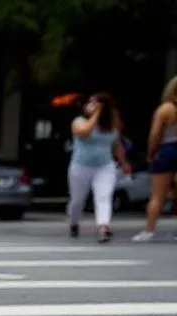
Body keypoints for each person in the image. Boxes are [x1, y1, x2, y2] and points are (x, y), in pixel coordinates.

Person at [67, 92, 130, 243]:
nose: (89, 106)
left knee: (104, 196)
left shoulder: (112, 124)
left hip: (104, 166)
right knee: (77, 200)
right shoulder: (79, 121)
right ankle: (74, 223)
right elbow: (84, 132)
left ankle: (103, 227)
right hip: (81, 165)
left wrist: (123, 163)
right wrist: (96, 115)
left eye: (94, 103)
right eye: (90, 103)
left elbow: (116, 144)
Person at [135, 76, 177, 242]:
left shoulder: (164, 110)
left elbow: (155, 135)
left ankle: (149, 230)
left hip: (167, 150)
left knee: (157, 196)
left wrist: (151, 154)